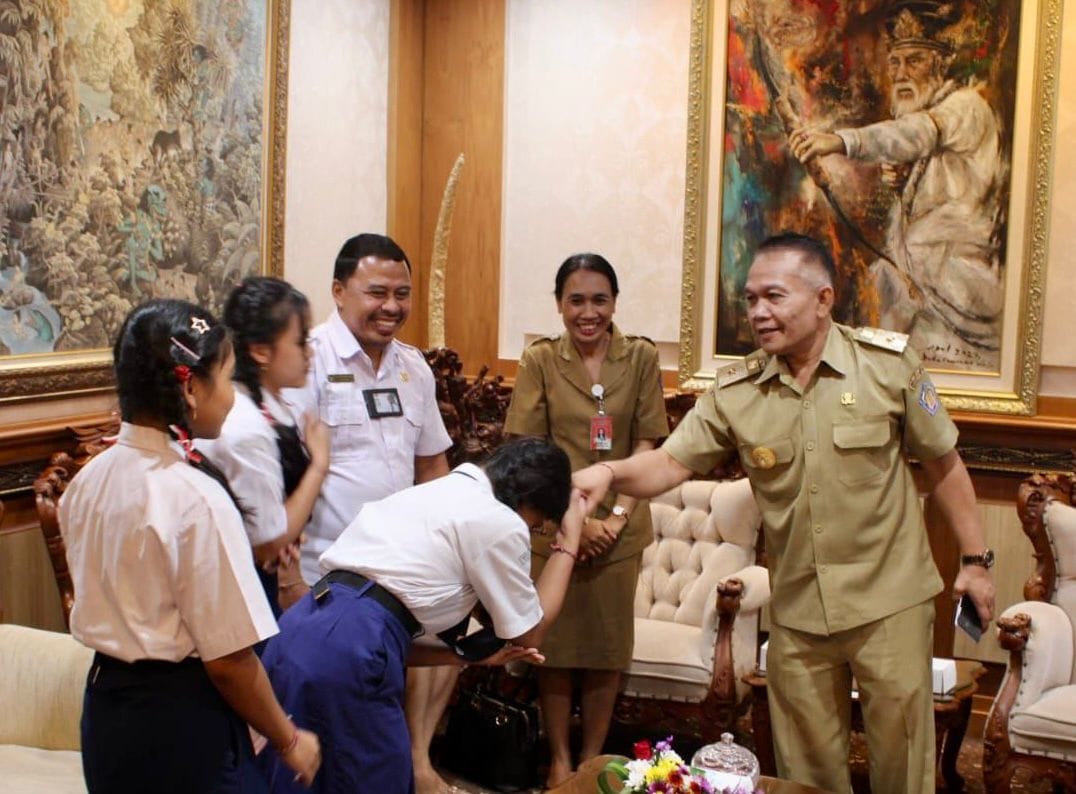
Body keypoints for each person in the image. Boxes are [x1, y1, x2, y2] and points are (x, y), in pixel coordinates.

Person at [571, 233, 996, 794]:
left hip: (889, 602)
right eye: (750, 299)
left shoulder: (887, 367)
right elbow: (670, 464)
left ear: (823, 299)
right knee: (806, 774)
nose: (758, 312)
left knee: (903, 765)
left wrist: (975, 562)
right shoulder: (738, 390)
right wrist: (610, 472)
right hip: (798, 609)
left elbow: (944, 466)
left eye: (774, 296)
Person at [59, 299, 321, 792]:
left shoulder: (89, 479)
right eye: (226, 378)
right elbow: (229, 661)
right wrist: (288, 739)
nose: (231, 396)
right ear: (190, 387)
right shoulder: (195, 498)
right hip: (180, 721)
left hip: (107, 713)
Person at [257, 437, 585, 793]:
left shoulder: (431, 493)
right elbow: (530, 632)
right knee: (382, 781)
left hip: (301, 631)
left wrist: (463, 656)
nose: (532, 532)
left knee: (297, 780)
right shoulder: (499, 519)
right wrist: (568, 544)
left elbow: (384, 632)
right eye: (537, 525)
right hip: (350, 648)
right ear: (531, 501)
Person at [285, 233, 456, 793]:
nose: (392, 306)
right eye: (377, 292)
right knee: (321, 736)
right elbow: (280, 474)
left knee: (373, 735)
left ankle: (416, 765)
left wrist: (445, 552)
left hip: (395, 579)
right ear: (339, 291)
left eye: (402, 294)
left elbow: (432, 465)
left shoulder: (413, 368)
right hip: (322, 579)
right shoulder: (307, 361)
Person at [504, 253, 669, 787]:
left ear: (614, 303)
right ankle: (558, 759)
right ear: (559, 305)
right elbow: (530, 448)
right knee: (553, 649)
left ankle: (592, 761)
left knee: (605, 650)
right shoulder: (540, 360)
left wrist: (615, 518)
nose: (588, 312)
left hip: (621, 528)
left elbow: (647, 441)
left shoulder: (640, 357)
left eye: (600, 300)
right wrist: (575, 520)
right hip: (556, 526)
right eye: (576, 300)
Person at [789, 1, 1005, 371]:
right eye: (895, 62)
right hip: (913, 289)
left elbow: (914, 134)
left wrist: (838, 141)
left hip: (956, 293)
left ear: (940, 64)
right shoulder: (927, 118)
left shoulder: (965, 106)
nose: (901, 73)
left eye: (914, 60)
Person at [201, 276, 330, 618]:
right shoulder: (243, 425)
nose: (309, 352)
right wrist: (319, 464)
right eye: (300, 342)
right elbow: (269, 541)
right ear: (260, 351)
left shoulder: (271, 402)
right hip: (235, 593)